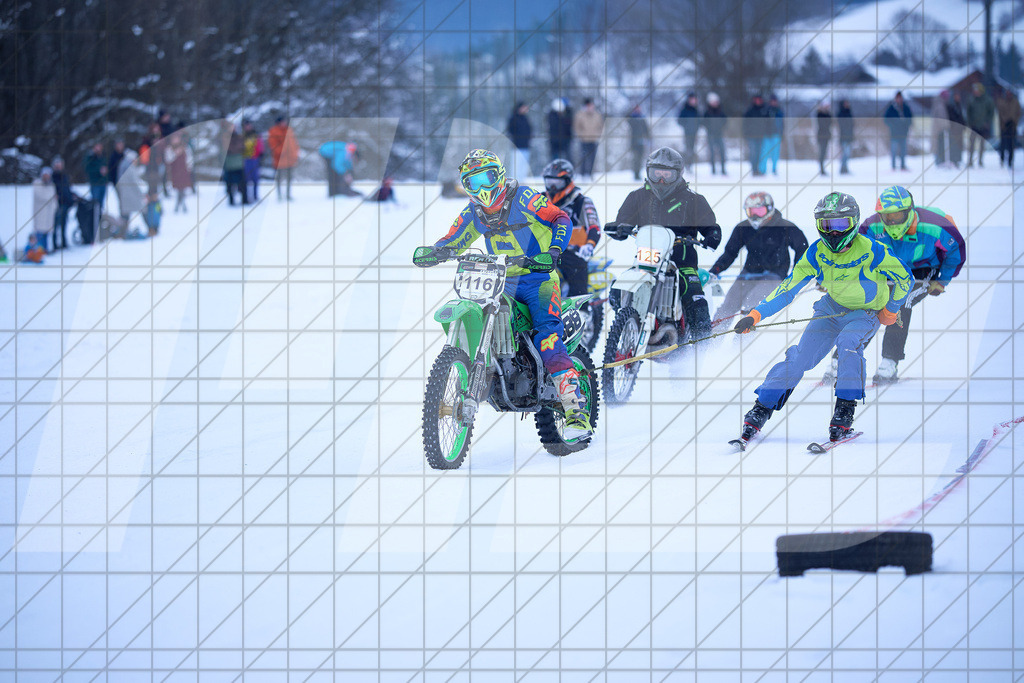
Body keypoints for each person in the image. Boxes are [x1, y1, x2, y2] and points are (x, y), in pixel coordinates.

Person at [418, 149, 591, 438]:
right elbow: (455, 237)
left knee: (547, 337)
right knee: (486, 316)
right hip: (499, 280)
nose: (482, 189)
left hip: (539, 278)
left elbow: (560, 218)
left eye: (486, 178)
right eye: (472, 183)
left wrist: (554, 252)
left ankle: (575, 409)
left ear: (497, 174)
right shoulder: (474, 212)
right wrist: (437, 251)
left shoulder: (523, 198)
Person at [732, 192, 913, 444]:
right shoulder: (816, 253)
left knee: (848, 344)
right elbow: (788, 288)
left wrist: (891, 309)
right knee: (801, 358)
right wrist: (755, 314)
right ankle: (762, 407)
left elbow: (906, 278)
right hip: (830, 310)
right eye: (827, 225)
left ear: (854, 222)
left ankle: (844, 409)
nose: (834, 232)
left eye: (841, 225)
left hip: (866, 313)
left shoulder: (873, 249)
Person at [607, 147, 722, 341]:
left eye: (666, 175)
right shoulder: (638, 197)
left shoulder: (693, 199)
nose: (661, 180)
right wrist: (620, 228)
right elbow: (623, 220)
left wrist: (712, 235)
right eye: (656, 174)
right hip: (647, 260)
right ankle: (628, 328)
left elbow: (710, 226)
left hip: (682, 262)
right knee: (617, 290)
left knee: (695, 298)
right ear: (648, 172)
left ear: (678, 175)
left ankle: (703, 346)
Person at [857, 185, 965, 384]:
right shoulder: (870, 227)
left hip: (922, 270)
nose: (891, 221)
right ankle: (846, 358)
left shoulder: (936, 226)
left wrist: (941, 281)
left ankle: (890, 361)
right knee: (868, 304)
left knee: (900, 302)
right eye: (886, 216)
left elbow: (955, 252)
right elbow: (853, 255)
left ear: (909, 211)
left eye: (897, 216)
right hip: (889, 270)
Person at [708, 192, 807, 326]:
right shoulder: (743, 228)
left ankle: (741, 344)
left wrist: (795, 276)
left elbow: (803, 250)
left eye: (759, 211)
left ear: (770, 209)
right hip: (748, 274)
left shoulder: (786, 227)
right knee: (728, 306)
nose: (755, 216)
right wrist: (715, 270)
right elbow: (730, 253)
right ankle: (710, 342)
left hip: (774, 276)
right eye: (751, 211)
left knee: (751, 305)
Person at [542, 159, 601, 303]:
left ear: (568, 181)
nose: (553, 187)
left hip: (572, 251)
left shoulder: (581, 201)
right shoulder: (541, 200)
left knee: (575, 267)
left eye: (557, 182)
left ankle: (582, 310)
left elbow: (594, 226)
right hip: (544, 250)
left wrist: (590, 245)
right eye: (549, 182)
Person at [267, 116, 300, 201]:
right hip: (279, 159)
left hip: (290, 159)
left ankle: (288, 194)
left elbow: (294, 143)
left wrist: (295, 153)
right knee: (279, 178)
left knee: (289, 178)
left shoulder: (289, 130)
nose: (284, 123)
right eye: (283, 121)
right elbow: (274, 146)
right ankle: (279, 195)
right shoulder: (274, 131)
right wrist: (283, 151)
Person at [966, 82, 995, 168]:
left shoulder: (988, 100)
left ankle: (980, 161)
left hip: (983, 126)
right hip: (974, 126)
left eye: (977, 90)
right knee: (971, 144)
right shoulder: (971, 100)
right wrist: (970, 123)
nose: (975, 92)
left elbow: (991, 112)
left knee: (982, 145)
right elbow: (968, 112)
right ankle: (970, 161)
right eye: (974, 90)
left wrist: (987, 122)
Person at [574, 98, 603, 178]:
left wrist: (598, 135)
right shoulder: (580, 115)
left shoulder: (597, 115)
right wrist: (581, 135)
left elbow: (601, 126)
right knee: (583, 158)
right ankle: (582, 174)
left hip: (594, 140)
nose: (590, 107)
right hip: (584, 140)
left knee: (593, 158)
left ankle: (591, 174)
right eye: (589, 105)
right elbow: (577, 127)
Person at [884, 91, 913, 171]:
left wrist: (907, 125)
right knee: (894, 151)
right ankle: (893, 166)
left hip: (903, 133)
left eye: (900, 98)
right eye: (898, 98)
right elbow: (886, 119)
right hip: (894, 133)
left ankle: (903, 165)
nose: (899, 99)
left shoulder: (906, 107)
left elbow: (910, 118)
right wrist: (893, 125)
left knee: (903, 151)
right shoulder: (891, 108)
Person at [51, 156, 75, 250]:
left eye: (60, 164)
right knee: (56, 225)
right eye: (57, 165)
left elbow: (67, 189)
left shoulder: (65, 176)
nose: (58, 166)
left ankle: (64, 242)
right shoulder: (52, 177)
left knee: (64, 224)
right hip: (57, 204)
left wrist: (72, 198)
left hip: (66, 203)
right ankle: (54, 244)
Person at [166, 133, 193, 213]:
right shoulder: (169, 149)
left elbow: (190, 158)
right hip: (175, 171)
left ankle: (180, 204)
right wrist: (175, 153)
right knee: (178, 188)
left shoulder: (185, 147)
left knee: (183, 188)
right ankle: (181, 204)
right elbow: (168, 159)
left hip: (183, 170)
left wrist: (189, 167)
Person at [32, 167, 56, 253]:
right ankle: (39, 250)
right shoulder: (37, 184)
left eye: (48, 175)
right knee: (39, 232)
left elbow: (54, 199)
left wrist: (54, 207)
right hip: (40, 211)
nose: (46, 177)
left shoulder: (51, 185)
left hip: (49, 212)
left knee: (47, 232)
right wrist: (51, 197)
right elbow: (42, 196)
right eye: (45, 175)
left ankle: (45, 249)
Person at [222, 123, 247, 205]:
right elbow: (227, 148)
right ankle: (231, 201)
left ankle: (244, 200)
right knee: (229, 185)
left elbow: (243, 147)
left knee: (242, 184)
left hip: (239, 164)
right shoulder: (225, 137)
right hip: (229, 165)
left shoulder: (239, 137)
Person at [742, 94, 767, 176]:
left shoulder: (764, 110)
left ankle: (760, 169)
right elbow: (745, 123)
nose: (757, 101)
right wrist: (746, 133)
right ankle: (754, 170)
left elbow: (767, 123)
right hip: (751, 136)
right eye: (756, 100)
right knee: (753, 153)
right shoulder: (750, 111)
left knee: (760, 153)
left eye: (759, 100)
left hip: (761, 135)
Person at [703, 92, 727, 175]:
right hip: (711, 135)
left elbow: (725, 121)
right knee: (712, 152)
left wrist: (720, 128)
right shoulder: (707, 113)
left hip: (719, 134)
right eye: (713, 102)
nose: (715, 103)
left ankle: (723, 169)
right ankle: (713, 169)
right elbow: (704, 123)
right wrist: (710, 129)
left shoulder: (721, 112)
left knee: (722, 151)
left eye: (716, 101)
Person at [507, 101, 532, 177]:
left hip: (526, 147)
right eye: (524, 107)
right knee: (516, 167)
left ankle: (522, 183)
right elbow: (510, 131)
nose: (526, 109)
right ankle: (515, 184)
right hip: (516, 147)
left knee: (524, 168)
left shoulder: (525, 118)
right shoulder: (513, 118)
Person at [997, 88, 1021, 168]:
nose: (1008, 94)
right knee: (1003, 145)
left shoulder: (1015, 102)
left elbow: (1018, 113)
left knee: (1011, 145)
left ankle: (1010, 161)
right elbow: (1000, 114)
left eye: (1010, 93)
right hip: (1004, 127)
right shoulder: (1002, 102)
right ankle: (1002, 159)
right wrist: (1004, 122)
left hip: (1012, 127)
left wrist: (1014, 122)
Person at [677, 91, 700, 171]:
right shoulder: (685, 110)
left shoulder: (696, 110)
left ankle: (690, 165)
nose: (694, 101)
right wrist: (687, 126)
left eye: (695, 99)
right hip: (687, 133)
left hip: (695, 133)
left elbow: (700, 120)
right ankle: (686, 165)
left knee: (692, 149)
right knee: (688, 149)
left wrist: (697, 127)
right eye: (692, 99)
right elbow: (679, 120)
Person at [761, 94, 784, 175]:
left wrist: (781, 133)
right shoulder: (766, 110)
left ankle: (774, 169)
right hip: (767, 135)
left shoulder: (779, 111)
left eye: (775, 101)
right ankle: (763, 170)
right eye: (772, 101)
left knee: (775, 154)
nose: (774, 103)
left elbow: (781, 124)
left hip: (776, 135)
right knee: (765, 153)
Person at [627, 104, 650, 180]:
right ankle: (635, 173)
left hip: (641, 142)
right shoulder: (631, 119)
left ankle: (638, 173)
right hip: (633, 142)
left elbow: (646, 130)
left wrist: (648, 138)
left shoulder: (642, 119)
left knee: (640, 158)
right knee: (635, 158)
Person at [242, 121, 264, 201]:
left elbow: (260, 145)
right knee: (247, 178)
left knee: (255, 178)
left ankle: (255, 195)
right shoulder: (243, 136)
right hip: (246, 159)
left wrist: (260, 153)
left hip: (255, 158)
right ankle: (247, 195)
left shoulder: (256, 135)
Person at [83, 142, 108, 211]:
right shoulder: (90, 157)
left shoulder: (103, 157)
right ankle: (94, 218)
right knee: (95, 203)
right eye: (97, 146)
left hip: (103, 183)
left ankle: (99, 218)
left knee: (101, 204)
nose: (99, 148)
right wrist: (99, 170)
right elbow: (87, 168)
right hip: (95, 183)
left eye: (100, 147)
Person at [547, 98, 573, 162]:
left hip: (564, 141)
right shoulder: (553, 117)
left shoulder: (565, 116)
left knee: (566, 157)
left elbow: (568, 128)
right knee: (556, 157)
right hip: (556, 141)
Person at [947, 91, 967, 168]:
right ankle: (954, 160)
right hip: (954, 129)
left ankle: (958, 160)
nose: (958, 98)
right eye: (956, 96)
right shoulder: (951, 106)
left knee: (960, 145)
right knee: (954, 145)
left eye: (958, 96)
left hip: (960, 129)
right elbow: (952, 118)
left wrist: (964, 125)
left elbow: (962, 117)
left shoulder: (960, 106)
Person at [931, 91, 950, 167]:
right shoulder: (940, 105)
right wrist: (947, 126)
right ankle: (939, 162)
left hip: (937, 128)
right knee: (937, 145)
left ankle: (939, 161)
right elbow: (942, 118)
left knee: (937, 145)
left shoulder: (938, 103)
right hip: (938, 129)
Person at [837, 99, 854, 174]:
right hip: (843, 137)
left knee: (848, 153)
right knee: (845, 153)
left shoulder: (849, 112)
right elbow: (842, 125)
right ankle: (843, 168)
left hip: (849, 136)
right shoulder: (841, 113)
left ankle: (845, 168)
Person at [815, 102, 832, 176]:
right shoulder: (820, 114)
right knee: (822, 153)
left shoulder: (828, 114)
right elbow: (822, 123)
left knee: (824, 153)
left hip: (827, 136)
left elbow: (830, 123)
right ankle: (821, 168)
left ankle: (822, 168)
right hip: (821, 136)